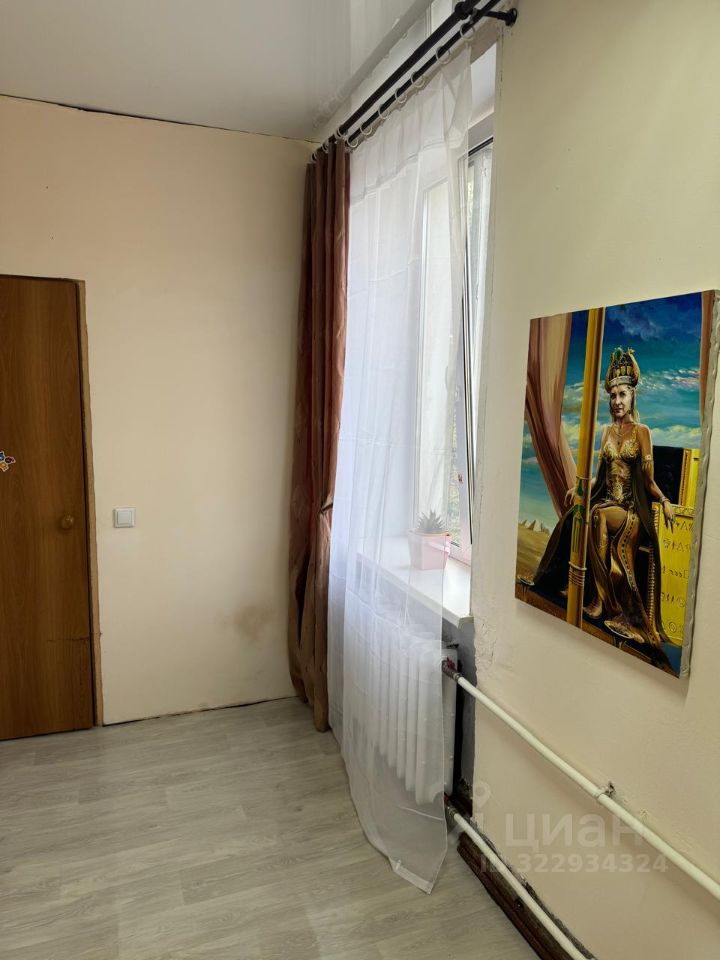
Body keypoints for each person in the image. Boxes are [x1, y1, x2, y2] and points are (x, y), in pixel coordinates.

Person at [531, 347, 675, 667]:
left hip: (629, 512)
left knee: (597, 515)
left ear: (633, 396)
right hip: (606, 506)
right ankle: (598, 599)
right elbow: (599, 477)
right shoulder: (606, 432)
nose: (617, 401)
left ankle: (607, 603)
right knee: (586, 514)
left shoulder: (642, 432)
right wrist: (580, 489)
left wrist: (664, 501)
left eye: (622, 394)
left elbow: (648, 481)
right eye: (612, 396)